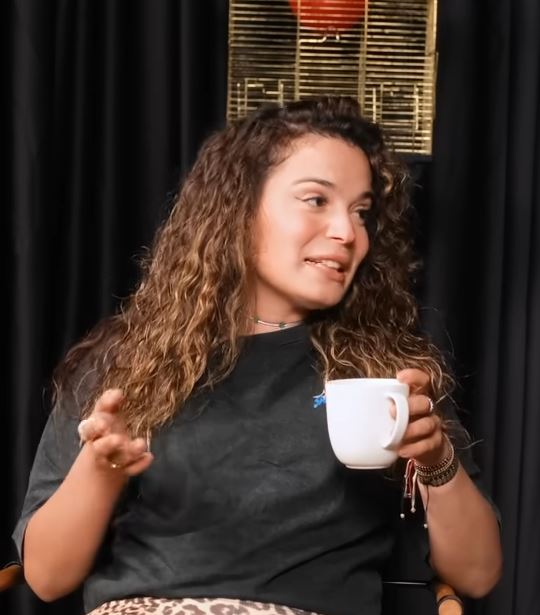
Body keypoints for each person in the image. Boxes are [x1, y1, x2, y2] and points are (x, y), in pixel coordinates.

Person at [13, 96, 502, 615]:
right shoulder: (125, 361)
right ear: (239, 209)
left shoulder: (390, 374)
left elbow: (476, 575)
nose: (348, 232)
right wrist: (101, 469)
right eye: (316, 200)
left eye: (362, 212)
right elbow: (46, 577)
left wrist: (436, 460)